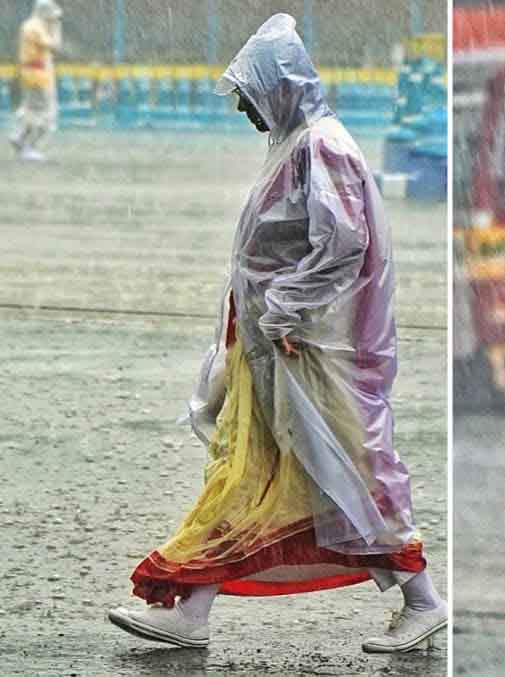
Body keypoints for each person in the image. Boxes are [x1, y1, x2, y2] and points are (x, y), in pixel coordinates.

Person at [107, 14, 446, 654]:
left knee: (332, 473)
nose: (244, 110)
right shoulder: (297, 145)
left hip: (302, 349)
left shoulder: (323, 147)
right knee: (259, 468)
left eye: (248, 97)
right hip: (273, 345)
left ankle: (422, 601)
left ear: (277, 87)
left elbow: (343, 243)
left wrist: (287, 310)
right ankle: (195, 608)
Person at [9, 0, 63, 162]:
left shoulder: (32, 25)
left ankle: (19, 136)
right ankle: (27, 145)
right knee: (43, 112)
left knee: (32, 108)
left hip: (35, 73)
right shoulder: (35, 27)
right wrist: (56, 27)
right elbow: (54, 46)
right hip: (36, 75)